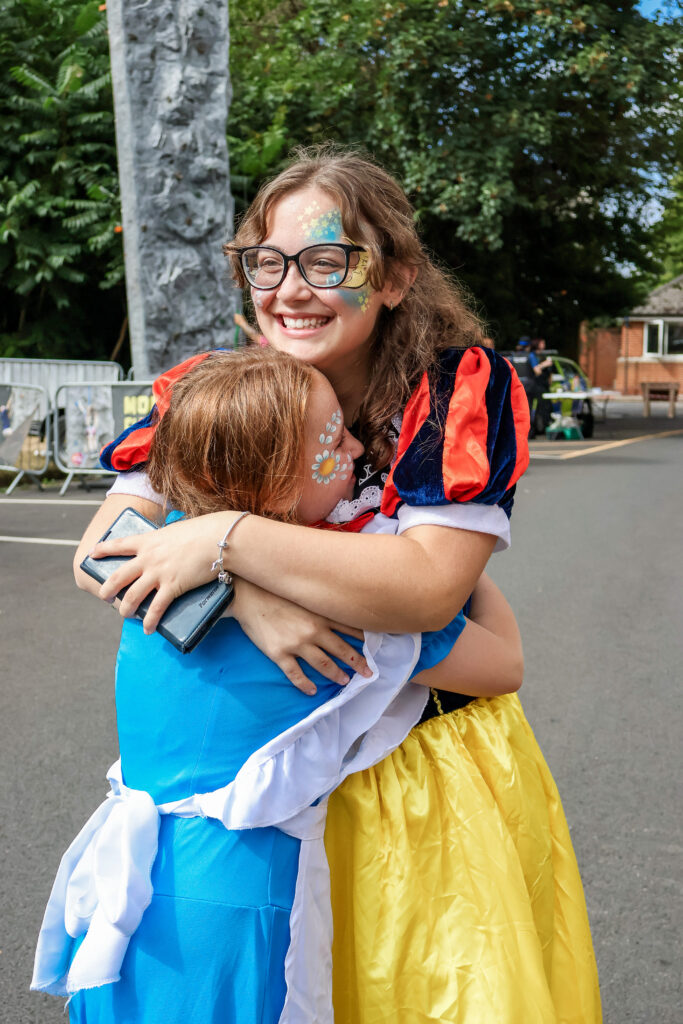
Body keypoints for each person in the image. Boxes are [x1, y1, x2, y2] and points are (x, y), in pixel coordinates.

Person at [74, 148, 601, 1023]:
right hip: (251, 784)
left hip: (415, 782)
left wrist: (223, 534)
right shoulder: (217, 389)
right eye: (265, 262)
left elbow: (427, 590)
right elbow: (103, 551)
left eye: (328, 262)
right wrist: (244, 591)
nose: (289, 290)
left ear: (392, 277)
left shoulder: (453, 389)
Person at [34, 349, 525, 1022]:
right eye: (334, 434)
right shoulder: (341, 608)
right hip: (238, 898)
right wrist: (437, 547)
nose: (356, 442)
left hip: (131, 879)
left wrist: (236, 587)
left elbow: (97, 557)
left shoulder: (157, 559)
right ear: (270, 483)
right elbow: (502, 663)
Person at [527, 336, 555, 436]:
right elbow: (537, 371)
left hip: (543, 386)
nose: (544, 345)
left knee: (545, 408)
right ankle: (534, 430)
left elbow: (550, 373)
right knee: (536, 408)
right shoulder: (532, 356)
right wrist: (545, 364)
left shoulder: (543, 355)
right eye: (542, 343)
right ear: (537, 344)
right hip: (535, 386)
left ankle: (543, 428)